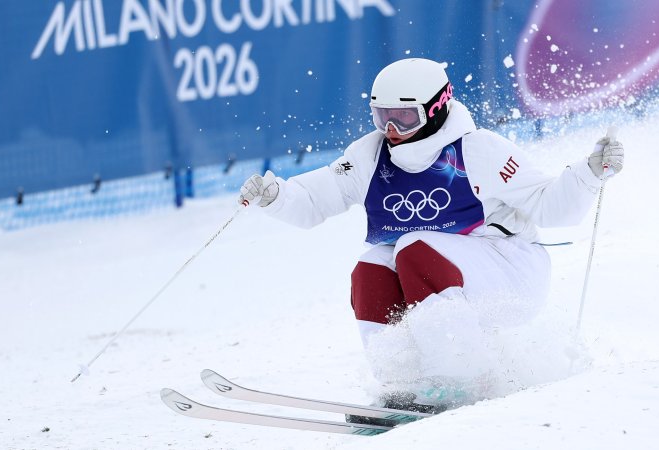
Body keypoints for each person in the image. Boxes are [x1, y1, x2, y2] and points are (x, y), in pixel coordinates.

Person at [238, 58, 624, 421]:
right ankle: (401, 383)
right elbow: (313, 200)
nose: (391, 131)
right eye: (382, 117)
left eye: (404, 118)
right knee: (370, 266)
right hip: (441, 272)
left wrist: (588, 174)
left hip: (510, 271)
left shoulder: (477, 150)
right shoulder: (369, 156)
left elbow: (549, 206)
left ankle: (457, 377)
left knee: (412, 247)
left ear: (437, 108)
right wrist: (276, 196)